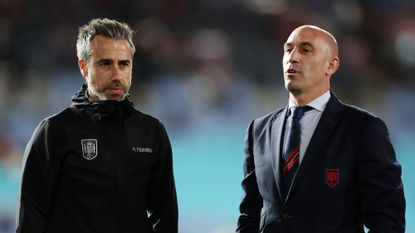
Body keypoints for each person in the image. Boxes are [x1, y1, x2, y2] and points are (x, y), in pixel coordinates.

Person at [236, 25, 405, 233]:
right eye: (288, 49)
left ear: (331, 66)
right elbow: (250, 216)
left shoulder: (363, 128)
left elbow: (387, 220)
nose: (293, 57)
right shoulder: (258, 131)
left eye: (305, 50)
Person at [16, 18, 178, 233]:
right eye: (105, 63)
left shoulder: (152, 132)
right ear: (83, 66)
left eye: (124, 64)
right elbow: (31, 220)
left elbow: (165, 215)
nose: (116, 74)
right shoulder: (54, 132)